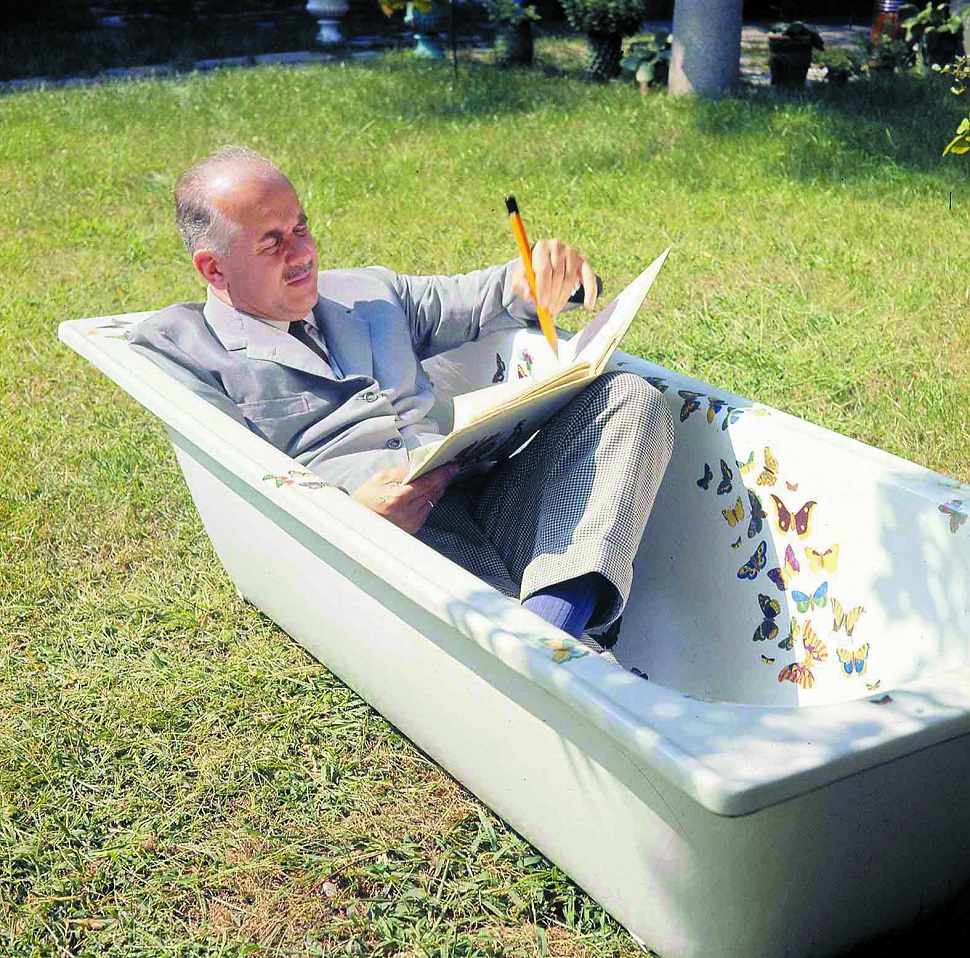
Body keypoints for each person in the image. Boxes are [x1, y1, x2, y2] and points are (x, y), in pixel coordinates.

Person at [130, 146, 674, 640]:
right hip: (384, 548)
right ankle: (562, 643)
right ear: (213, 268)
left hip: (484, 492)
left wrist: (547, 276)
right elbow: (240, 486)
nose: (302, 253)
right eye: (272, 242)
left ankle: (550, 633)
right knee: (532, 644)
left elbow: (486, 295)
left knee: (629, 397)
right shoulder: (180, 352)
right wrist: (348, 518)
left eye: (301, 228)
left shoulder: (368, 291)